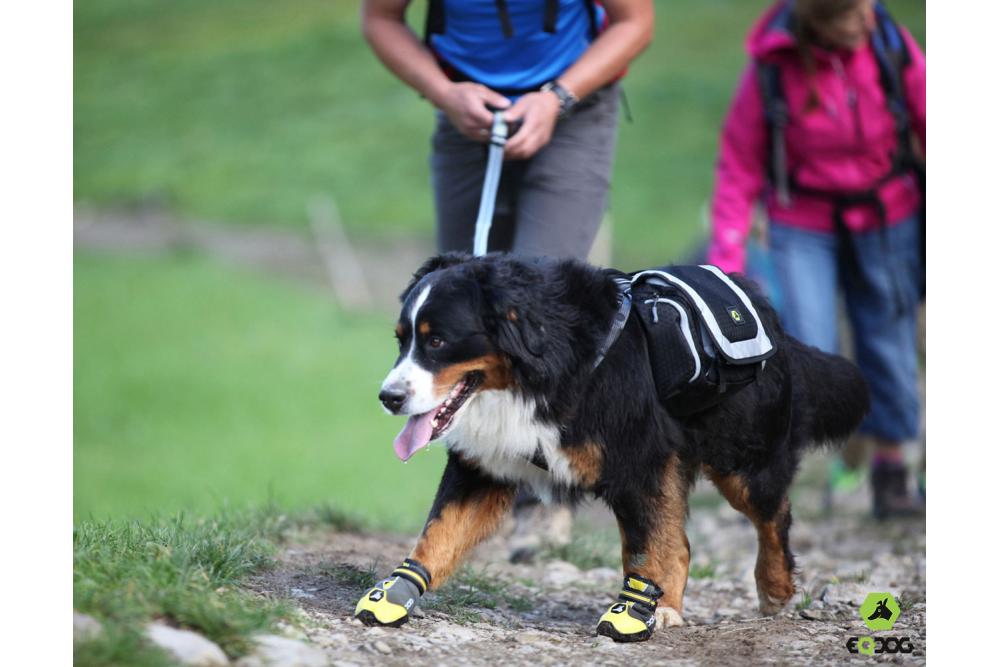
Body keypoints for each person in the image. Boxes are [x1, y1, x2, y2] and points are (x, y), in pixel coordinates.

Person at [361, 0, 655, 557]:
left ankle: (545, 503)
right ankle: (475, 495)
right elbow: (380, 18)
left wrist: (557, 98)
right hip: (464, 109)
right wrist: (445, 94)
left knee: (543, 305)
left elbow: (635, 21)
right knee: (458, 304)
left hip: (575, 105)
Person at [707, 0, 925, 519]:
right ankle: (782, 478)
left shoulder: (891, 45)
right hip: (802, 222)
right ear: (821, 30)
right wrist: (725, 261)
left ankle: (892, 470)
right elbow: (739, 163)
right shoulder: (772, 65)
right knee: (806, 345)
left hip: (886, 213)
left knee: (887, 339)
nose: (870, 21)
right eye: (856, 25)